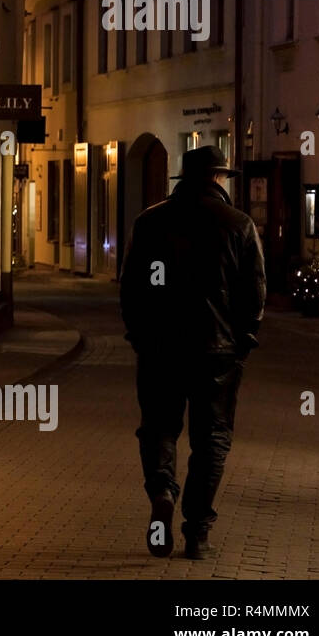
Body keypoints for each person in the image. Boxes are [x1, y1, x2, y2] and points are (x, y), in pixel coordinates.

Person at [119, 146, 266, 560]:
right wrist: (241, 339)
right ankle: (197, 531)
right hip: (216, 353)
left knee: (159, 428)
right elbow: (253, 294)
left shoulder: (149, 222)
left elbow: (131, 288)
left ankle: (163, 489)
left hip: (160, 350)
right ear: (219, 178)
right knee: (212, 438)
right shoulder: (238, 225)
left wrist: (139, 335)